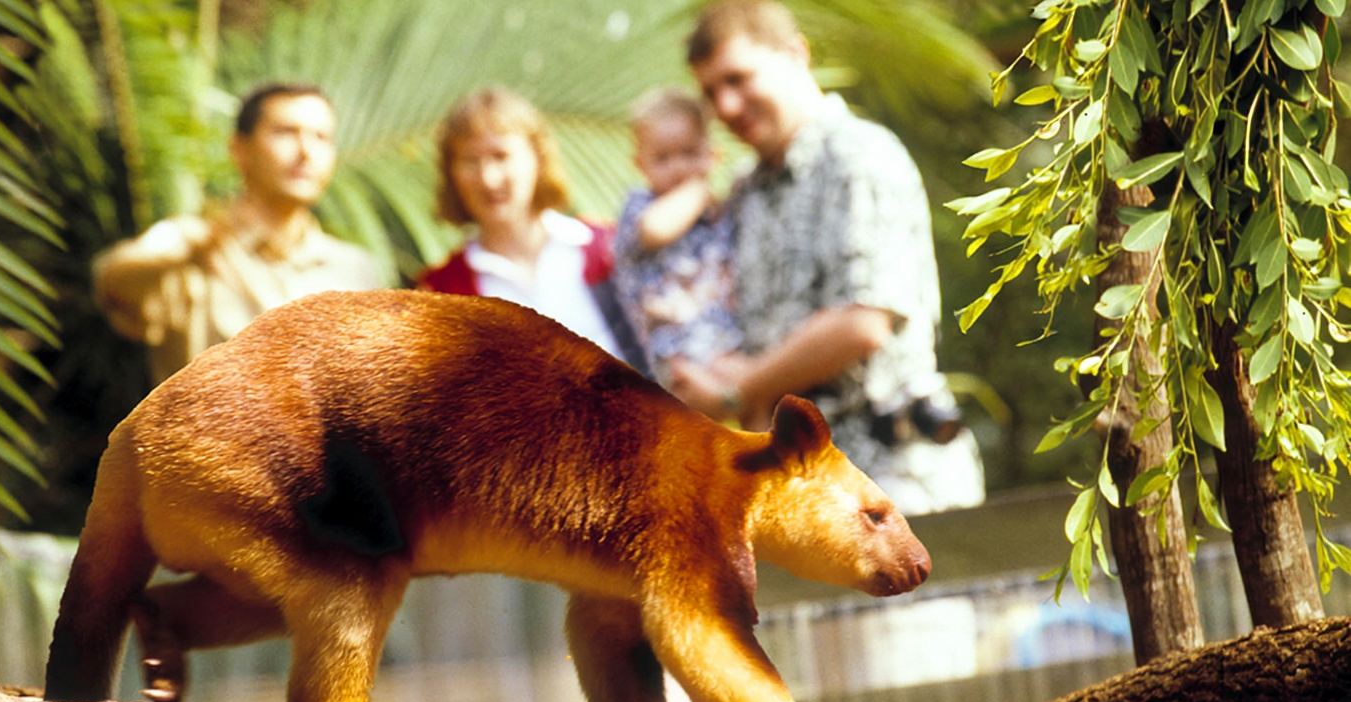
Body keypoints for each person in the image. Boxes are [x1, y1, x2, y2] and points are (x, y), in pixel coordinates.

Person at [674, 0, 984, 514]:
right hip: (800, 493)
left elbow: (863, 322)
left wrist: (736, 389)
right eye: (710, 92)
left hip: (893, 485)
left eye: (738, 79)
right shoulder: (746, 193)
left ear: (796, 54)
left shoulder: (858, 155)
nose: (725, 106)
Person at [93, 83, 386, 385]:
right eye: (285, 132)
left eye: (321, 137)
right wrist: (181, 255)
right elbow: (113, 281)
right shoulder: (188, 241)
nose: (306, 152)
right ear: (239, 149)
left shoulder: (354, 269)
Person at [419, 86, 649, 374]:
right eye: (470, 161)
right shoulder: (441, 293)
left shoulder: (606, 247)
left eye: (500, 156)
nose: (488, 179)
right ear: (451, 174)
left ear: (537, 158)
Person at [612, 88, 742, 390]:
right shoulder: (640, 206)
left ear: (713, 156)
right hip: (670, 348)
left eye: (689, 153)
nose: (678, 167)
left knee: (757, 396)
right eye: (662, 158)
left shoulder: (717, 215)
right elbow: (656, 229)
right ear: (640, 165)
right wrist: (697, 189)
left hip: (721, 339)